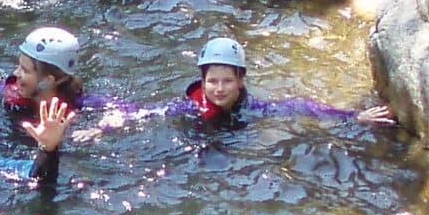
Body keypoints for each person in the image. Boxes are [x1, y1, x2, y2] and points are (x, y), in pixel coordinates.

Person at [157, 37, 395, 128]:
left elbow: (300, 106)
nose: (219, 89)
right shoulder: (190, 109)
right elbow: (149, 113)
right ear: (203, 81)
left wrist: (352, 117)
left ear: (240, 80)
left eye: (227, 81)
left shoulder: (252, 108)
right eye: (212, 81)